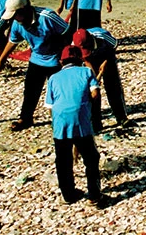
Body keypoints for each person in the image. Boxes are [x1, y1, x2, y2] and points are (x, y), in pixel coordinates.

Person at [0, 0, 70, 131]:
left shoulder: (47, 17)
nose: (13, 19)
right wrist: (1, 60)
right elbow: (13, 42)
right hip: (36, 59)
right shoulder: (17, 24)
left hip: (55, 60)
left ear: (24, 10)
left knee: (59, 92)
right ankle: (26, 118)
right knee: (30, 91)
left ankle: (62, 118)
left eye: (15, 15)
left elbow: (68, 33)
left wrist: (64, 56)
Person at [45, 45, 103, 206]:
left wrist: (57, 125)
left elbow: (50, 106)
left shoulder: (53, 78)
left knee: (63, 161)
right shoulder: (86, 72)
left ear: (61, 61)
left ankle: (68, 195)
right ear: (80, 59)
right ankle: (94, 195)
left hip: (60, 124)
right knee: (91, 158)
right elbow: (95, 93)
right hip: (81, 123)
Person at [72, 27, 131, 131]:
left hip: (106, 57)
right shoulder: (74, 44)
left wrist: (105, 63)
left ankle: (121, 117)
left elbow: (113, 47)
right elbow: (84, 59)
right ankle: (96, 123)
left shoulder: (102, 36)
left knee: (113, 87)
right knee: (93, 91)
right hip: (89, 61)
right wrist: (93, 77)